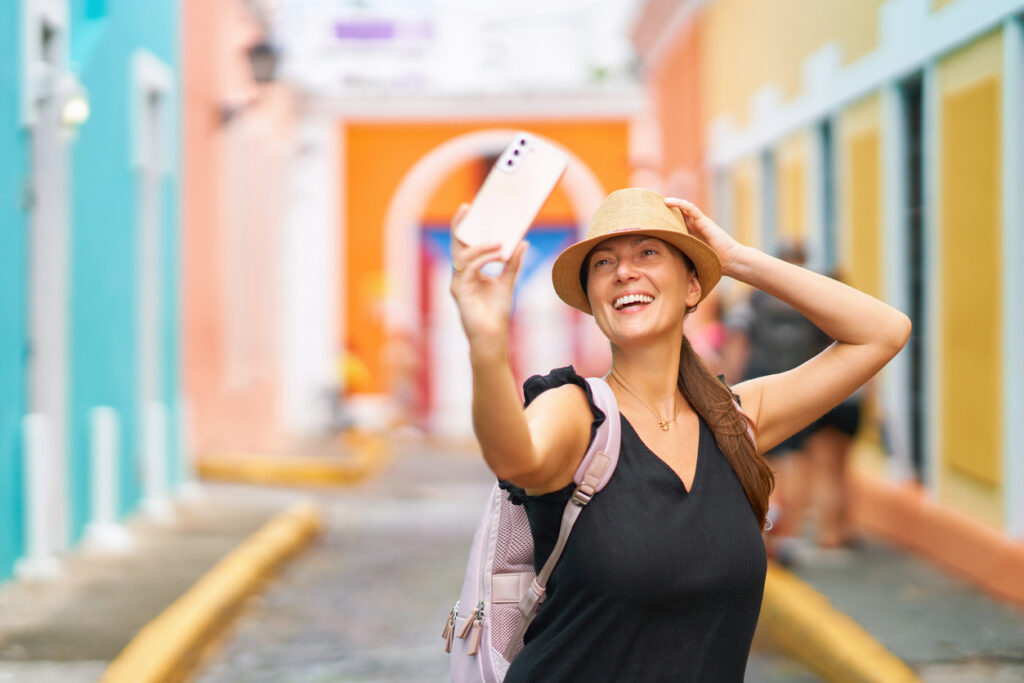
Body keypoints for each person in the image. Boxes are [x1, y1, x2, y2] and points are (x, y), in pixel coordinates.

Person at [448, 187, 910, 680]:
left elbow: (883, 332)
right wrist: (487, 345)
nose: (624, 271)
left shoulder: (734, 422)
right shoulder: (575, 411)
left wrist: (736, 260)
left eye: (648, 252)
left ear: (692, 288)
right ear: (592, 299)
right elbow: (514, 457)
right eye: (603, 263)